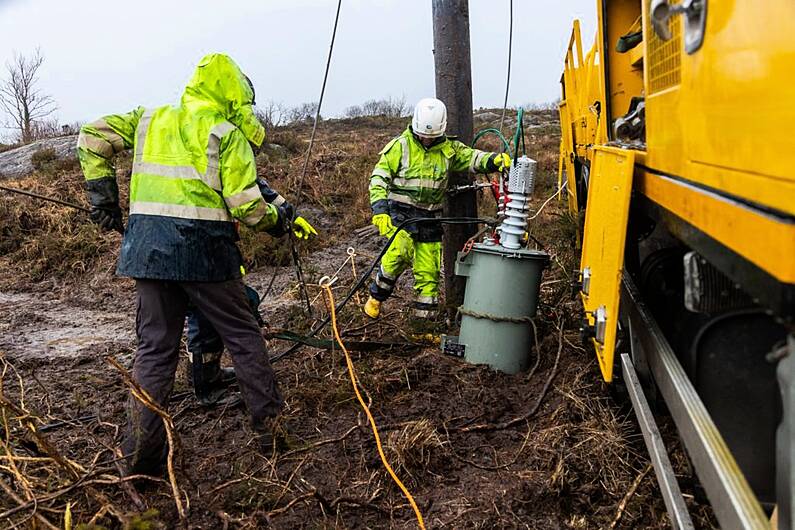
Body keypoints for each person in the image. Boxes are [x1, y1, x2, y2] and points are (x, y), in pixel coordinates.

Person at [77, 53, 313, 475]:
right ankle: (272, 432)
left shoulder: (150, 119)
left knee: (154, 351)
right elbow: (247, 205)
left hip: (148, 254)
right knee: (243, 336)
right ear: (234, 94)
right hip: (205, 253)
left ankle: (139, 461)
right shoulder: (227, 132)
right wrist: (280, 222)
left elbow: (92, 137)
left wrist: (103, 199)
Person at [363, 98, 510, 320]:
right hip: (401, 212)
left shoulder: (449, 149)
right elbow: (379, 178)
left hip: (430, 216)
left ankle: (423, 323)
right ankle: (376, 296)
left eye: (431, 137)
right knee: (399, 252)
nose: (426, 140)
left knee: (429, 269)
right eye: (423, 135)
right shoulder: (400, 146)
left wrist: (494, 160)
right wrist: (380, 211)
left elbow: (471, 157)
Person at [186, 178, 316, 407]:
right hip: (200, 243)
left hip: (182, 242)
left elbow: (254, 184)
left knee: (162, 335)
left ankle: (205, 375)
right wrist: (282, 220)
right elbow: (249, 195)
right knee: (214, 317)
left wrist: (291, 214)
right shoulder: (219, 145)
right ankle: (209, 388)